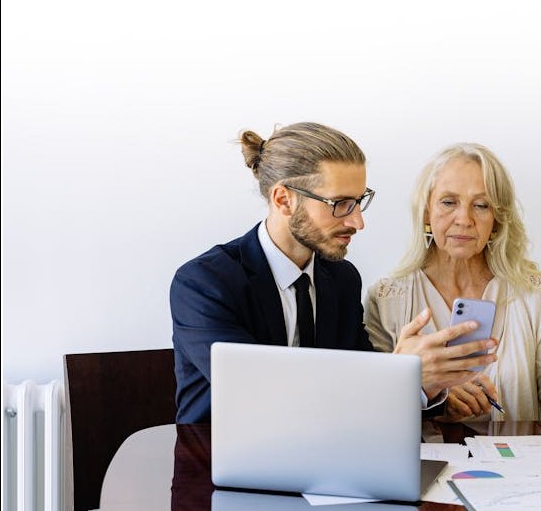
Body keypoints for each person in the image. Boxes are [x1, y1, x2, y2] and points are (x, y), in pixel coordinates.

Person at [170, 122, 497, 424]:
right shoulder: (205, 284)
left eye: (358, 202)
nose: (357, 221)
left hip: (327, 467)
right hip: (218, 470)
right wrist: (399, 372)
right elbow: (263, 399)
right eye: (340, 204)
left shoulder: (341, 280)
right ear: (284, 200)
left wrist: (426, 383)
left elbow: (363, 394)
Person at [365, 143, 541, 421]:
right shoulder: (387, 299)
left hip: (518, 460)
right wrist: (428, 390)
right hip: (427, 462)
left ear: (496, 219)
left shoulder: (535, 295)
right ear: (426, 212)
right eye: (448, 202)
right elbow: (374, 412)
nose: (464, 219)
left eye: (481, 205)